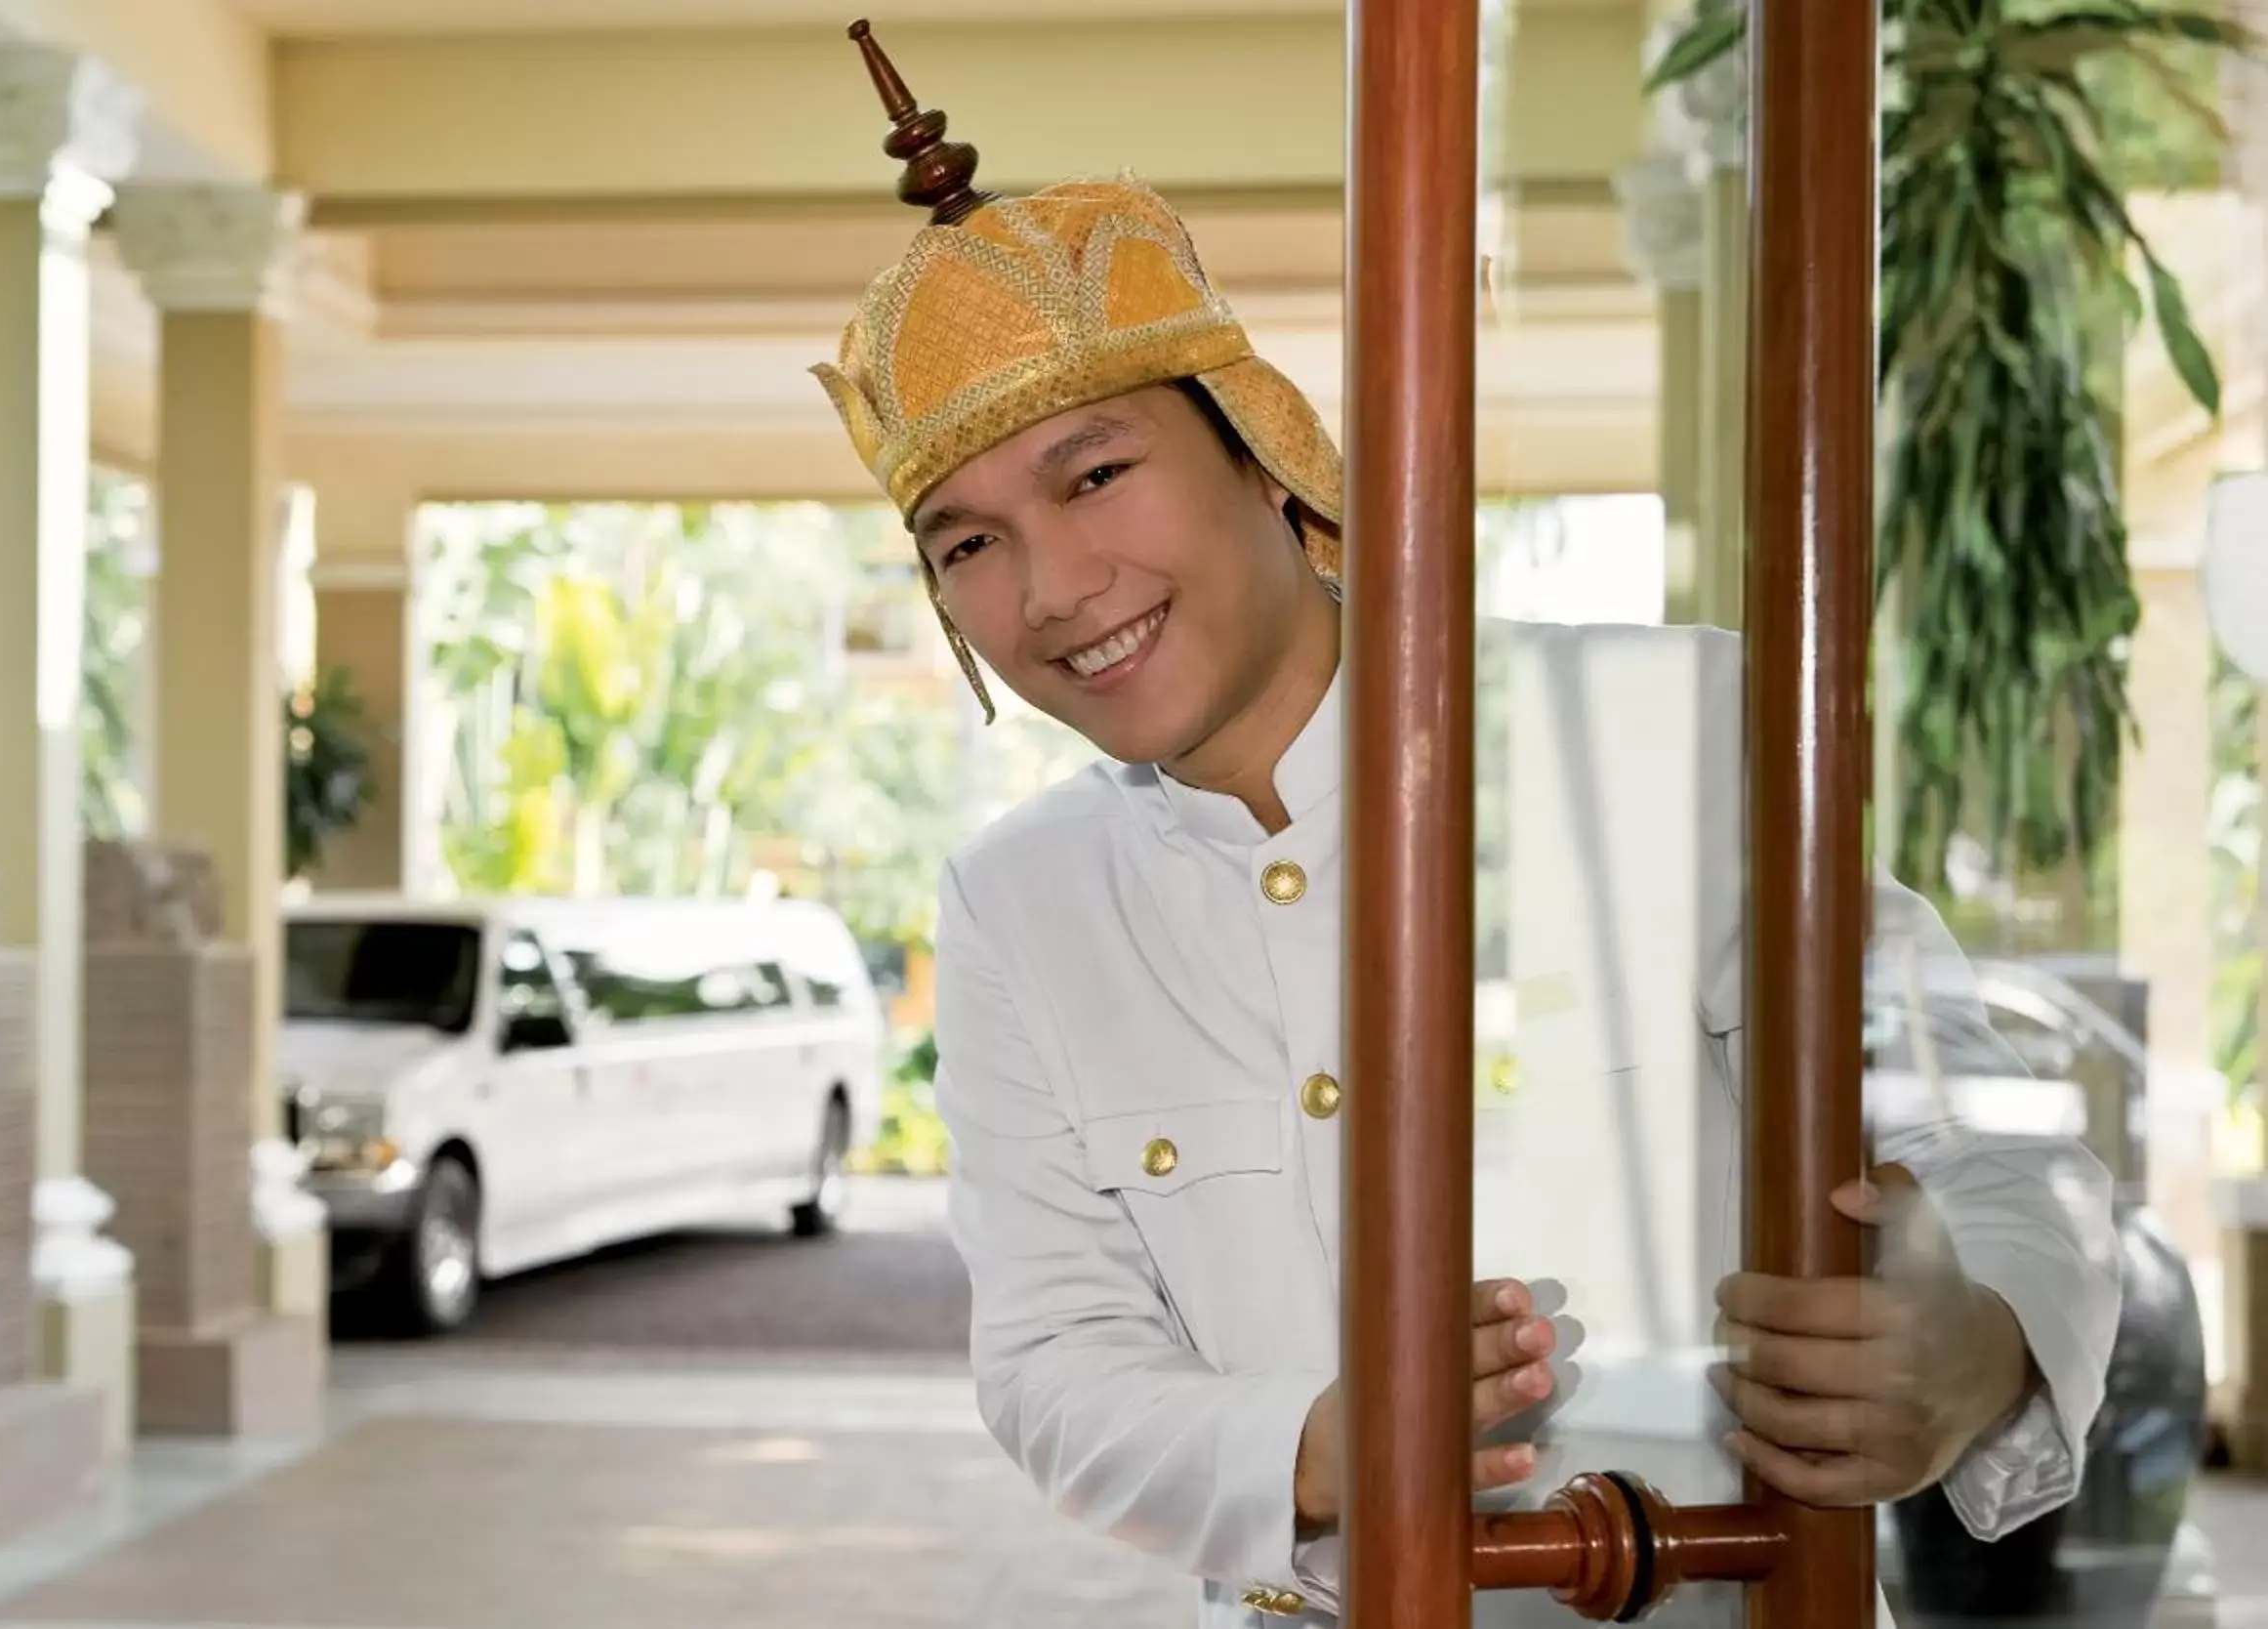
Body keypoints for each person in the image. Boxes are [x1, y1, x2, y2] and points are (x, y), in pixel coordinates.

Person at [806, 25, 2121, 1629]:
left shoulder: (1652, 734)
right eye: (968, 546)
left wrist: (1978, 1345)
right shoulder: (1022, 901)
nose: (1054, 590)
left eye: (1094, 474)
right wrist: (1311, 1447)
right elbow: (1052, 1361)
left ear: (1264, 452)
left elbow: (1980, 1136)